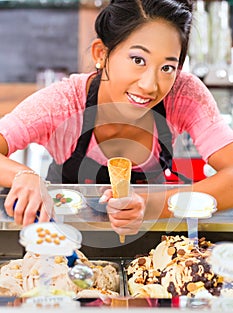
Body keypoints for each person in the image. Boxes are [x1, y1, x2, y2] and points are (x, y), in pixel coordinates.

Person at [1, 0, 233, 237]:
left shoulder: (183, 94)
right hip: (63, 238)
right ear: (101, 54)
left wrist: (150, 205)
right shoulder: (64, 103)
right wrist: (24, 176)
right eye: (138, 60)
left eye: (167, 68)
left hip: (148, 242)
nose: (150, 85)